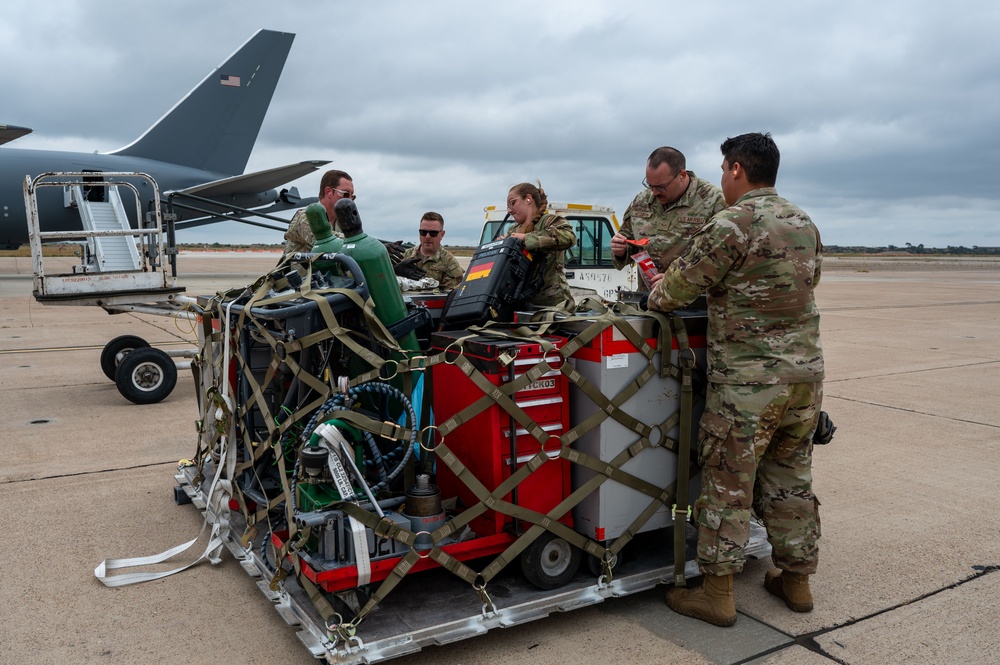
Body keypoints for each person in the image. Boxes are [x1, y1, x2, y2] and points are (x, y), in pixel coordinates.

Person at [646, 133, 824, 627]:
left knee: (728, 483)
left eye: (724, 170)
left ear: (738, 169)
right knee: (791, 478)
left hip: (748, 382)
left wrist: (655, 291)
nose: (722, 179)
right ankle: (796, 582)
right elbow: (808, 283)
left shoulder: (733, 221)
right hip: (805, 378)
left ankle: (718, 594)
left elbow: (675, 289)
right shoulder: (803, 221)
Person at [611, 147, 726, 289]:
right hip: (648, 302)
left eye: (661, 187)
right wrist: (620, 251)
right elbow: (629, 242)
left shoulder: (713, 201)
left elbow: (724, 257)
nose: (654, 193)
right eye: (649, 185)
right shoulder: (641, 201)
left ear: (682, 175)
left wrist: (676, 279)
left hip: (693, 306)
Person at [505, 181, 577, 311]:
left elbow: (569, 237)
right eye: (508, 206)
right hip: (522, 303)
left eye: (513, 203)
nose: (510, 210)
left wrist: (527, 239)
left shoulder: (550, 222)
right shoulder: (513, 230)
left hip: (552, 304)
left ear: (528, 199)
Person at [281, 169, 355, 259]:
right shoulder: (305, 216)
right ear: (328, 192)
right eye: (345, 194)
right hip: (301, 272)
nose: (350, 200)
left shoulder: (342, 221)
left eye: (352, 196)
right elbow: (327, 241)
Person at [398, 212, 465, 290]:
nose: (427, 237)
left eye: (433, 233)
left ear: (442, 234)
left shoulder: (449, 263)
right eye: (423, 232)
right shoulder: (404, 256)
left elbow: (451, 294)